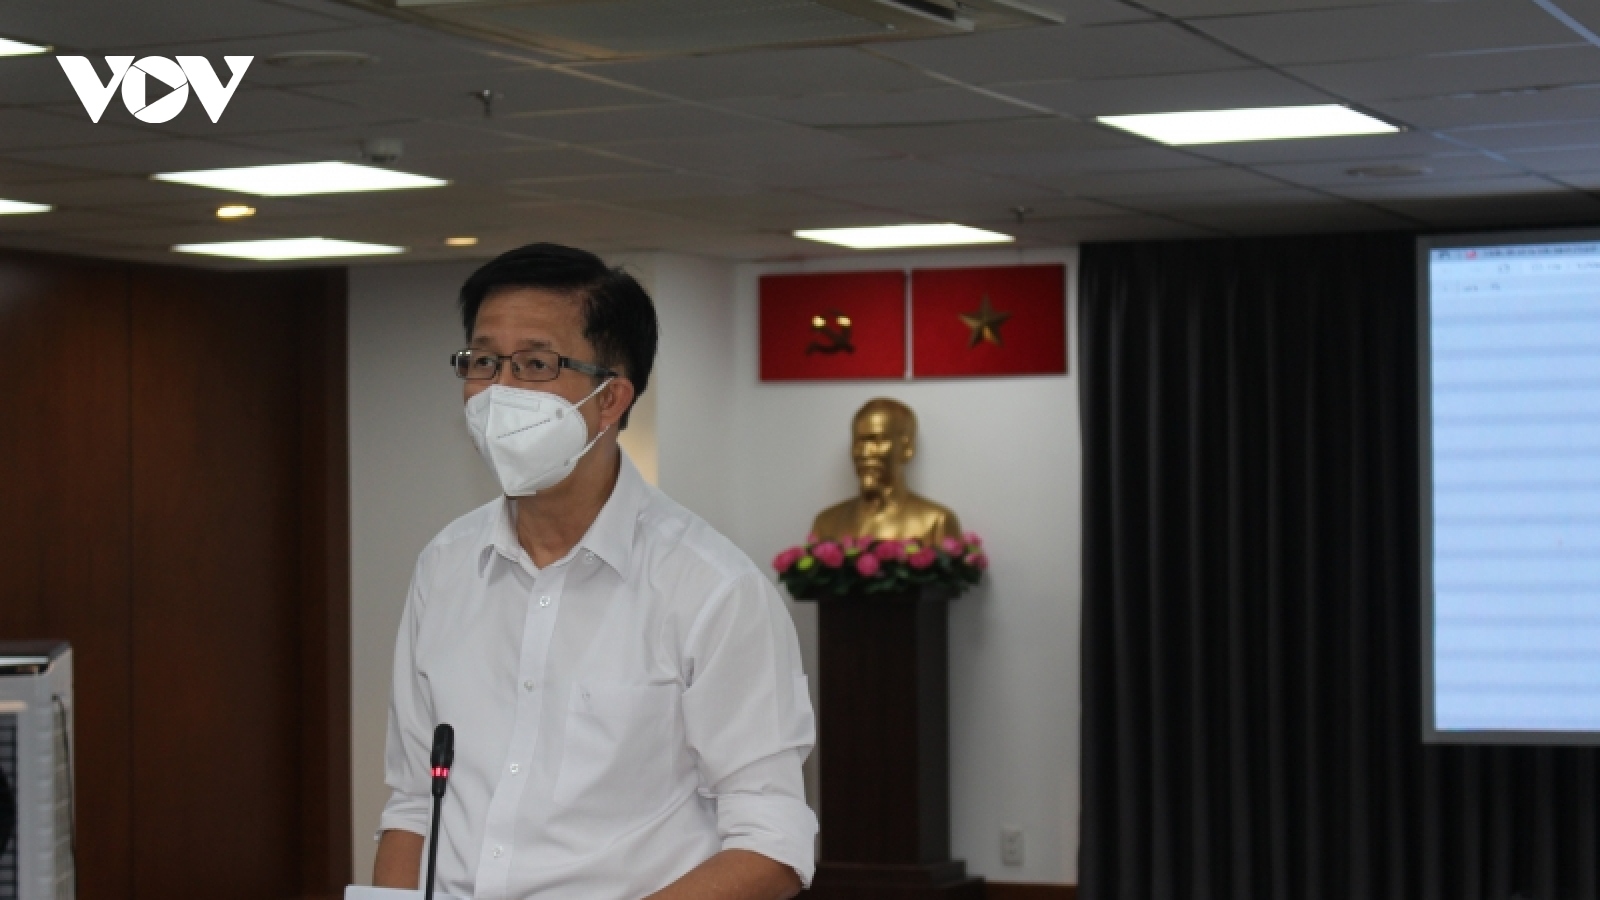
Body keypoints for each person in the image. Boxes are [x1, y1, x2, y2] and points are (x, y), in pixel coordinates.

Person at [373, 244, 816, 900]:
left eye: (535, 364)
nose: (499, 391)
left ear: (610, 401)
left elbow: (771, 843)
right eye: (484, 361)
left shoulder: (712, 589)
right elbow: (414, 803)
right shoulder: (445, 566)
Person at [811, 398, 963, 545]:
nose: (864, 453)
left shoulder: (937, 522)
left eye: (877, 441)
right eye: (858, 442)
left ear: (907, 448)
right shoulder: (826, 524)